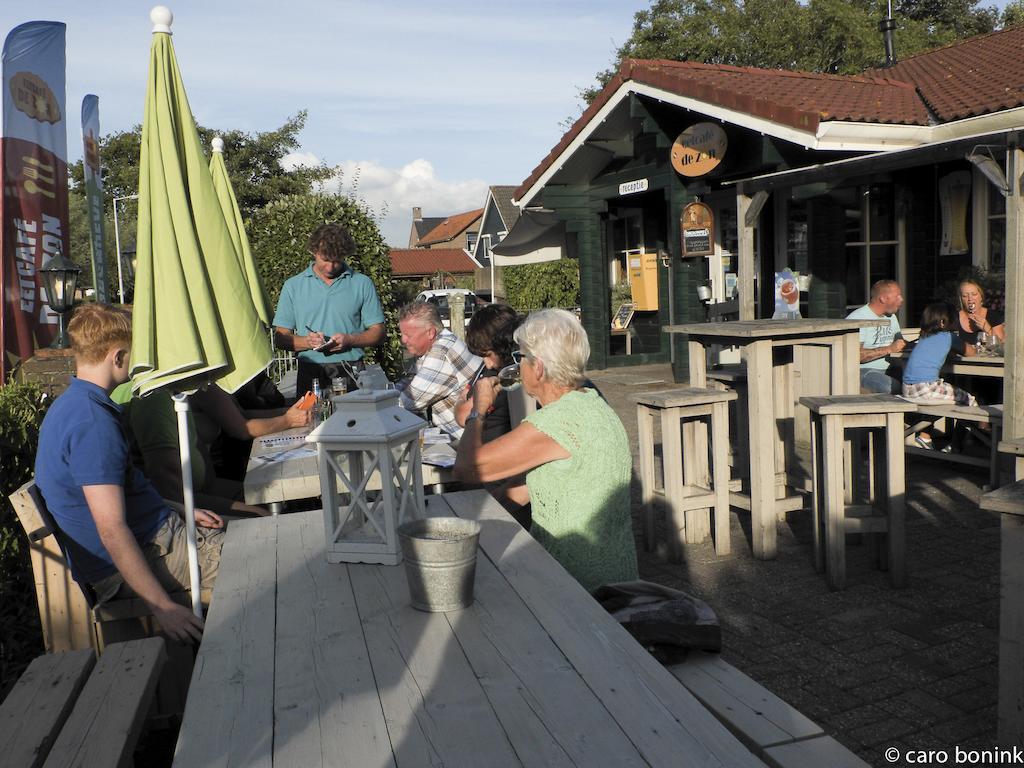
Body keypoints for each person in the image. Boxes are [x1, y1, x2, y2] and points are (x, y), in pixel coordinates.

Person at [34, 303, 222, 644]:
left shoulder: (72, 405)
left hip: (156, 538)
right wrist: (162, 607)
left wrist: (180, 508)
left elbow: (119, 500)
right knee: (263, 560)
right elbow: (111, 529)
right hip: (146, 555)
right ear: (118, 357)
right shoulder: (93, 424)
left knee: (261, 544)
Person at [454, 308, 639, 592]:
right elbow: (521, 491)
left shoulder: (558, 421)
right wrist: (470, 532)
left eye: (521, 358)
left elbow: (467, 468)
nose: (519, 365)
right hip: (616, 573)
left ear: (537, 367)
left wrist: (478, 410)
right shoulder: (591, 403)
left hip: (579, 584)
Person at [121, 385, 310, 517]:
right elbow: (240, 427)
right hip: (182, 501)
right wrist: (288, 420)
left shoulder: (187, 390)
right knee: (265, 515)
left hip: (204, 484)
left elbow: (239, 417)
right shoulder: (157, 399)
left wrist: (288, 414)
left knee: (275, 496)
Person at [273, 223, 386, 397]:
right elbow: (280, 338)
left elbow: (379, 333)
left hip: (352, 368)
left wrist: (350, 340)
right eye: (325, 260)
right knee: (312, 423)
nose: (331, 267)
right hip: (310, 368)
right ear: (313, 252)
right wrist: (308, 342)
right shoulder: (293, 286)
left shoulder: (362, 283)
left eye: (337, 261)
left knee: (356, 423)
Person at [395, 301, 482, 438]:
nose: (403, 340)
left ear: (430, 333)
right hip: (456, 435)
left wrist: (376, 404)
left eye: (408, 335)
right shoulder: (437, 344)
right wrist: (388, 392)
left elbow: (409, 400)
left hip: (467, 442)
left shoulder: (441, 352)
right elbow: (410, 380)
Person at [902, 302, 978, 450]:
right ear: (943, 323)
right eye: (954, 319)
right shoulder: (948, 337)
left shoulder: (924, 337)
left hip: (909, 388)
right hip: (926, 388)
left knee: (944, 401)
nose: (957, 322)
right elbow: (970, 352)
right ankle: (962, 443)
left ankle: (925, 437)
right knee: (969, 400)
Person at [454, 303, 522, 443]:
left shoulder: (504, 375)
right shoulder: (496, 366)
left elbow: (463, 415)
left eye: (488, 355)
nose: (487, 363)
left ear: (502, 343)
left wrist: (461, 400)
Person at [846, 279, 906, 394]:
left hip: (891, 368)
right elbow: (854, 355)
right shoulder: (858, 318)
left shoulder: (891, 316)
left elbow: (898, 343)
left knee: (918, 382)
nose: (901, 300)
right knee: (892, 388)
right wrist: (889, 349)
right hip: (863, 371)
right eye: (897, 296)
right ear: (883, 298)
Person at [957, 278, 1005, 346]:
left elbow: (1002, 345)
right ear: (961, 299)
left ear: (981, 297)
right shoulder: (955, 317)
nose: (970, 299)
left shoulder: (993, 316)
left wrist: (987, 328)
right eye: (965, 296)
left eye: (974, 294)